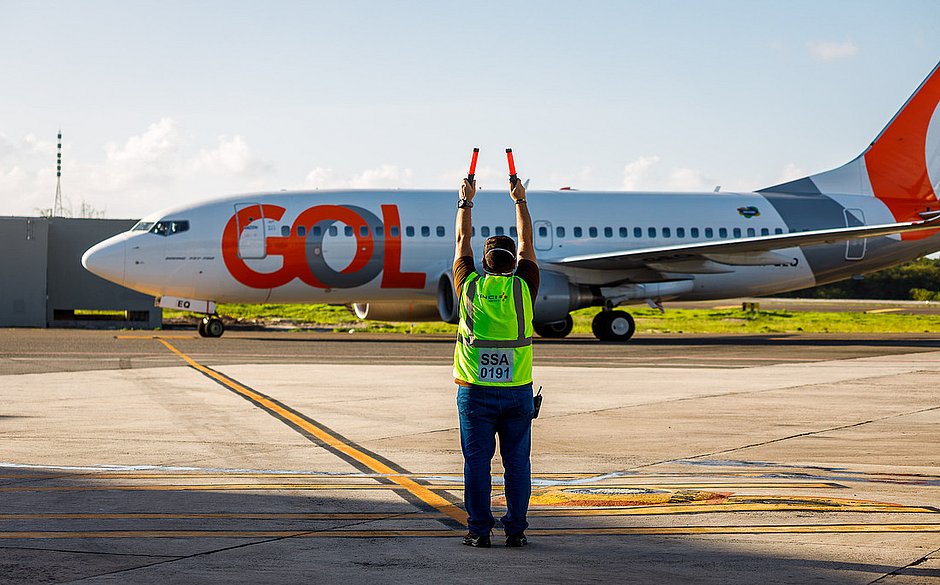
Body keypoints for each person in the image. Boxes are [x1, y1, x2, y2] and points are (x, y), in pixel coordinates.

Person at [453, 175, 539, 548]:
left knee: (477, 465)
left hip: (475, 394)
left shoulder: (469, 287)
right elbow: (528, 244)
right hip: (516, 395)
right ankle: (516, 532)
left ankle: (478, 531)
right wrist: (519, 200)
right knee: (516, 466)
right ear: (512, 262)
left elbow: (461, 242)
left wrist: (465, 202)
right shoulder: (524, 288)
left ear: (484, 263)